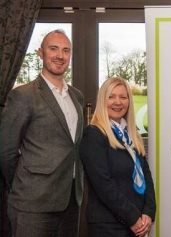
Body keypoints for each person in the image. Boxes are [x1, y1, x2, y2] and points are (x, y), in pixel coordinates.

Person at [0, 29, 84, 236]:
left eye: (66, 50)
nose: (60, 55)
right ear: (41, 53)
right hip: (32, 204)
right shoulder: (23, 96)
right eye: (53, 49)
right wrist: (25, 185)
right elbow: (6, 152)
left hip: (71, 201)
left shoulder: (77, 97)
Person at [79, 77, 156, 237]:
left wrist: (148, 212)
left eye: (123, 97)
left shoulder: (131, 133)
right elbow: (104, 185)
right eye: (111, 97)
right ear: (102, 100)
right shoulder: (94, 134)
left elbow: (146, 175)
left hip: (138, 223)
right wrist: (133, 219)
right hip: (108, 226)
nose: (118, 102)